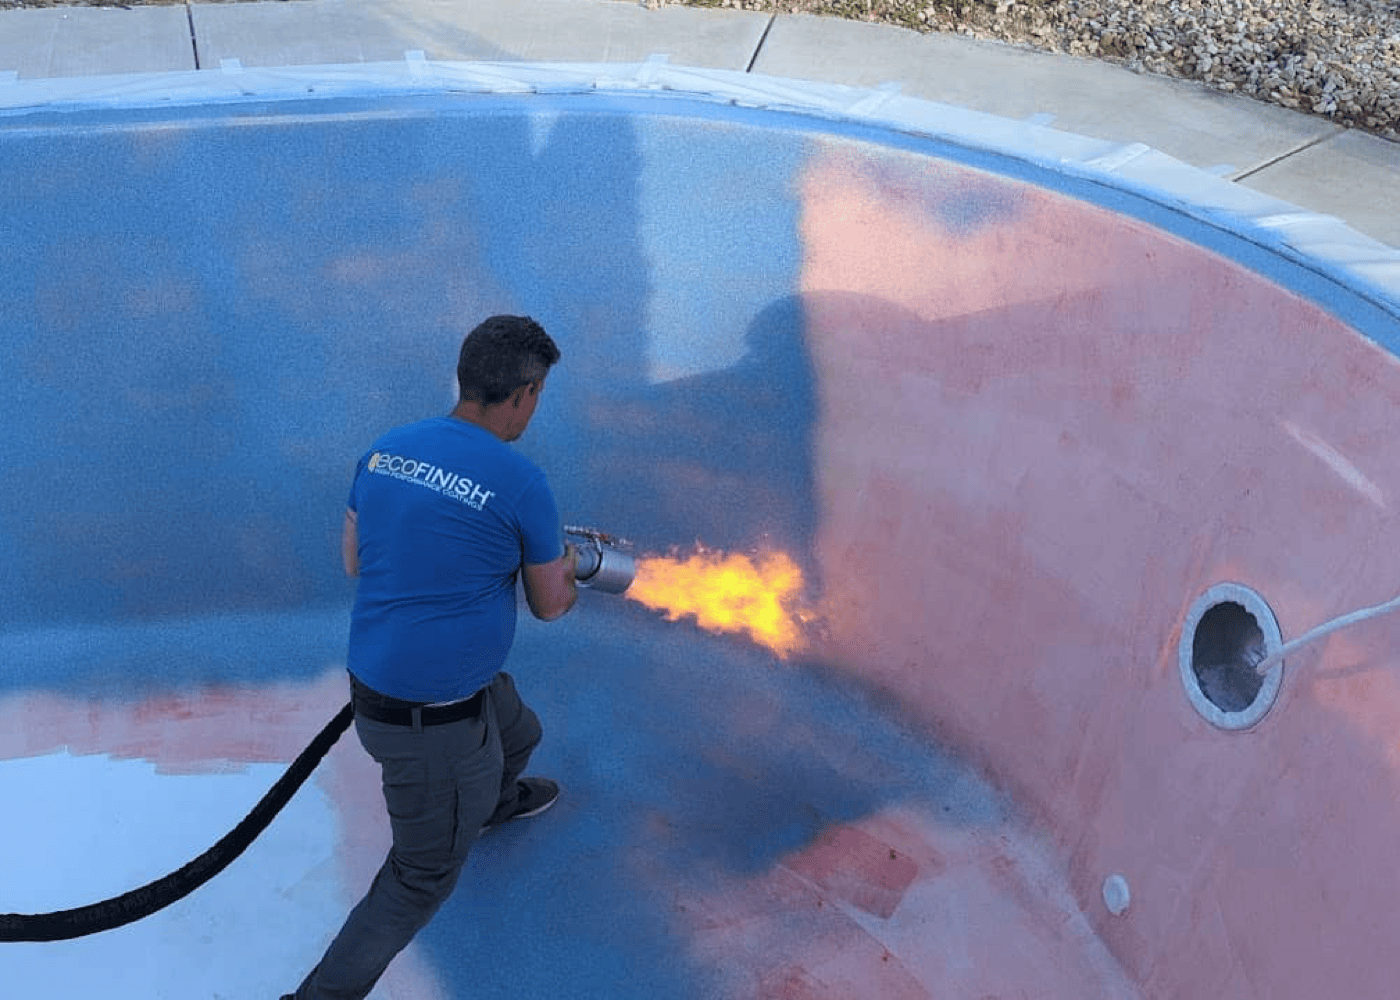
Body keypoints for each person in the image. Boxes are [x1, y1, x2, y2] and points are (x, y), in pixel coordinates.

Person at [283, 314, 578, 1000]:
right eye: (537, 397)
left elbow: (355, 561)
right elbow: (551, 605)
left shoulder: (388, 450)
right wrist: (567, 564)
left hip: (388, 678)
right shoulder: (522, 482)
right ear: (525, 393)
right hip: (430, 722)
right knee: (419, 879)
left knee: (518, 731)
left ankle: (493, 802)